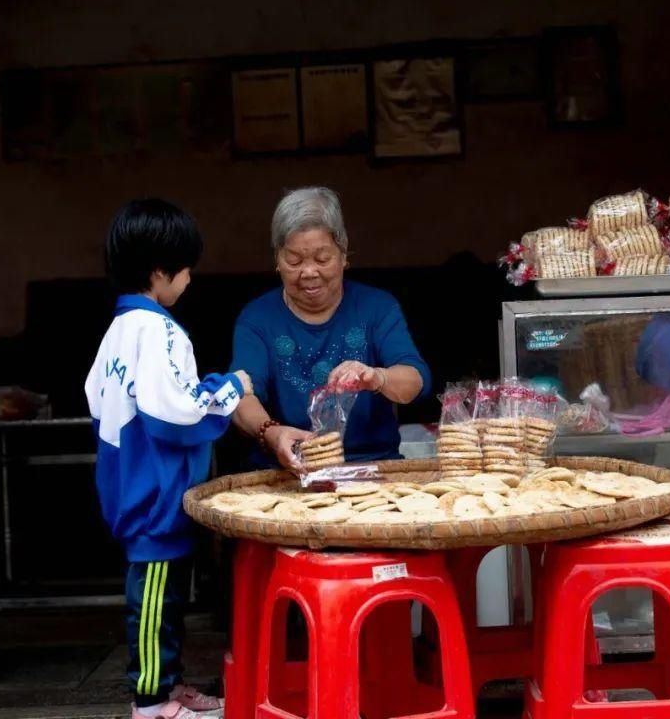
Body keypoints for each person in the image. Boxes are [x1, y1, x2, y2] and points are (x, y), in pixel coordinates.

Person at [85, 198, 253, 719]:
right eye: (185, 270)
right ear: (160, 271)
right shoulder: (158, 330)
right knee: (155, 601)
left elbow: (100, 396)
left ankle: (169, 684)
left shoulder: (118, 330)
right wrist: (230, 389)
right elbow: (173, 411)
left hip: (131, 484)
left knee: (166, 595)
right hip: (155, 497)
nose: (189, 280)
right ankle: (152, 702)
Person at [230, 187, 431, 469]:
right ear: (277, 259)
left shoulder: (377, 308)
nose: (309, 272)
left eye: (322, 259)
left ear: (344, 254)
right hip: (287, 471)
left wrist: (376, 377)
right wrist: (272, 434)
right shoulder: (257, 319)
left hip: (372, 467)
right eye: (294, 260)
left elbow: (416, 380)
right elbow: (240, 395)